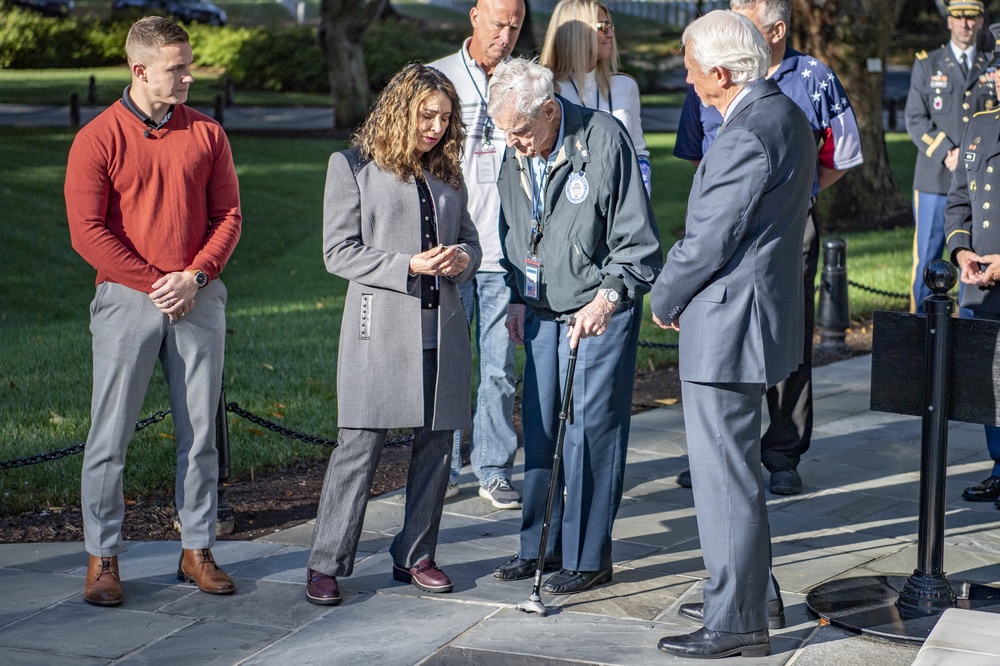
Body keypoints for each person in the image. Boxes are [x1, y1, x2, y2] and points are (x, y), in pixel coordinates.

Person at [651, 10, 816, 658]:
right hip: (751, 318)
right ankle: (750, 595)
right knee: (737, 473)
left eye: (692, 70)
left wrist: (665, 296)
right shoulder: (784, 116)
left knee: (724, 481)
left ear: (721, 73)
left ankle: (735, 621)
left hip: (726, 325)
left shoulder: (749, 131)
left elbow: (707, 241)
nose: (689, 81)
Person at [65, 17, 241, 607]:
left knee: (201, 437)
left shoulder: (209, 134)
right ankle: (103, 555)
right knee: (109, 436)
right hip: (125, 300)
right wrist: (154, 282)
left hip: (198, 295)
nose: (189, 77)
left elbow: (228, 217)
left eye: (188, 65)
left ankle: (197, 549)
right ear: (139, 70)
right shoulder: (98, 137)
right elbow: (87, 233)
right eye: (177, 69)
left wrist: (193, 277)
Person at [305, 64, 482, 606]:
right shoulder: (352, 165)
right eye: (426, 114)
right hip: (377, 330)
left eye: (445, 118)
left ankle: (416, 554)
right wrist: (409, 264)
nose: (434, 127)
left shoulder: (447, 170)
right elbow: (339, 252)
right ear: (399, 107)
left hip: (443, 332)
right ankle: (327, 562)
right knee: (358, 447)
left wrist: (462, 259)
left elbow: (471, 240)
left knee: (438, 447)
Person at [672, 0, 863, 497]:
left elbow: (841, 152)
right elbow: (697, 153)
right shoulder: (709, 74)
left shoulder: (813, 77)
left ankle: (782, 451)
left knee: (785, 338)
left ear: (775, 31)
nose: (733, 26)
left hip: (787, 223)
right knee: (728, 339)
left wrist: (796, 195)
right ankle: (725, 447)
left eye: (745, 21)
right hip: (725, 222)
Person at [488, 58, 661, 594]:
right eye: (506, 134)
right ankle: (538, 547)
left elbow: (638, 244)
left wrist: (608, 299)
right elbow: (513, 226)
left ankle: (588, 558)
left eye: (520, 132)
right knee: (540, 429)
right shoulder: (520, 145)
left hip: (596, 309)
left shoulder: (604, 138)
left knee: (590, 433)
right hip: (540, 308)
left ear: (548, 110)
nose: (514, 143)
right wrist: (517, 293)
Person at [430, 0, 526, 510]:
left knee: (498, 367)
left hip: (502, 251)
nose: (505, 36)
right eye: (498, 24)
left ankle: (493, 469)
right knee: (448, 364)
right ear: (473, 16)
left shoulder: (525, 80)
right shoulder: (439, 77)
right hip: (452, 249)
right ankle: (441, 467)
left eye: (514, 27)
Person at [907, 0, 994, 319]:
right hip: (935, 180)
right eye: (958, 17)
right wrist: (948, 152)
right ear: (949, 21)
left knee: (976, 261)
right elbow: (915, 119)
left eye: (971, 18)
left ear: (982, 21)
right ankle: (921, 334)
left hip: (979, 185)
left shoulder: (991, 65)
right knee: (929, 261)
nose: (965, 24)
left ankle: (972, 336)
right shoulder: (927, 65)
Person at [944, 70, 1000, 508]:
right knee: (991, 381)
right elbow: (960, 198)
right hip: (983, 284)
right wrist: (963, 253)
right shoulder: (981, 124)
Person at [540, 0, 652, 194]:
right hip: (571, 203)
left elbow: (639, 153)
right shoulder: (548, 91)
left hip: (621, 203)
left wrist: (641, 202)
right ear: (577, 33)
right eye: (603, 26)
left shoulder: (625, 86)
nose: (611, 34)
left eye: (611, 26)